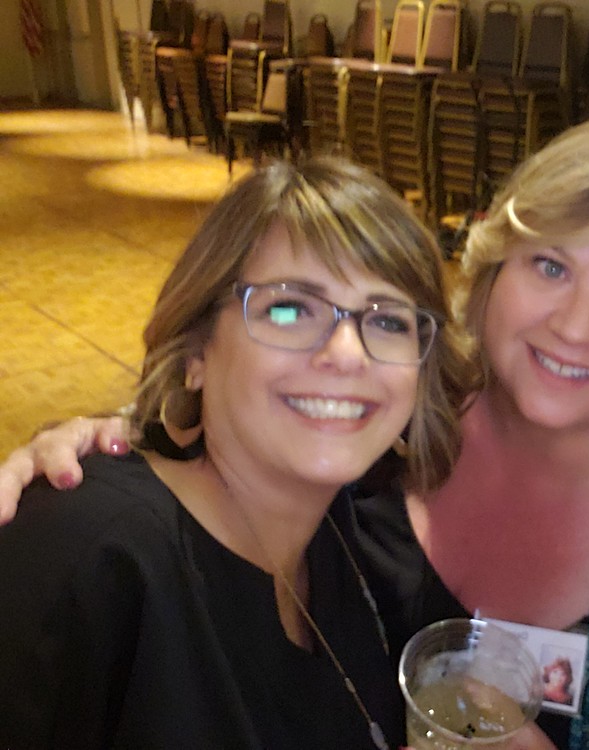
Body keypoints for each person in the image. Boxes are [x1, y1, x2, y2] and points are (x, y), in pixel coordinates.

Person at [0, 117, 589, 749]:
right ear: (493, 270)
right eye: (550, 266)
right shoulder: (383, 447)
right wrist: (112, 445)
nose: (575, 325)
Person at [0, 156, 471, 748]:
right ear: (196, 351)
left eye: (388, 322)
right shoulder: (83, 554)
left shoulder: (347, 530)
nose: (348, 354)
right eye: (289, 309)